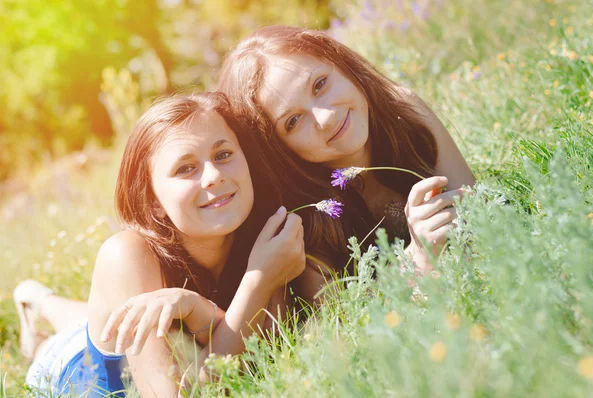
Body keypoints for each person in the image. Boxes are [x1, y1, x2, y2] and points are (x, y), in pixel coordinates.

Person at [13, 92, 306, 397]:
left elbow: (266, 353)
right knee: (73, 337)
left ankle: (38, 300)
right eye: (185, 168)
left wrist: (197, 308)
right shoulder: (126, 255)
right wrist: (259, 281)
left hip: (116, 324)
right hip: (72, 369)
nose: (214, 176)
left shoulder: (264, 237)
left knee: (101, 319)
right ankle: (38, 307)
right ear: (153, 202)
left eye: (223, 155)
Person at [216, 25, 475, 297]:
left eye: (320, 84)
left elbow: (477, 211)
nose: (325, 118)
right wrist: (417, 258)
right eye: (293, 121)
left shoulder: (406, 114)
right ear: (279, 151)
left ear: (340, 64)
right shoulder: (300, 221)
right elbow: (346, 322)